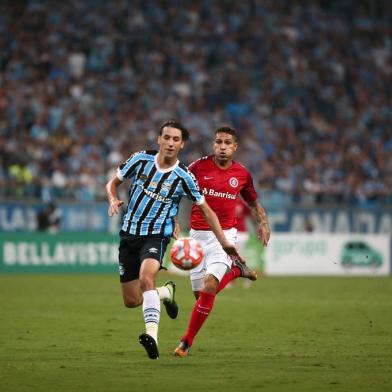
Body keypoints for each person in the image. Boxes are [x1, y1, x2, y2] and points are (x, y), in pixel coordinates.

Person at [105, 120, 241, 360]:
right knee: (131, 300)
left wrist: (225, 243)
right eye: (166, 138)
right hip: (129, 235)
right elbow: (113, 183)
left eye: (175, 139)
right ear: (159, 139)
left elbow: (206, 210)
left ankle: (152, 337)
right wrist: (112, 198)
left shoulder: (184, 176)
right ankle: (166, 293)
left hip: (157, 235)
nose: (169, 143)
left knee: (147, 279)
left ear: (182, 144)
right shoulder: (140, 159)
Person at [174, 126, 270, 357]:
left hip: (225, 236)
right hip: (197, 238)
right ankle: (237, 271)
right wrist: (173, 219)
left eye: (228, 143)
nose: (223, 147)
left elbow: (253, 203)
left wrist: (263, 222)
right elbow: (175, 193)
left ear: (235, 147)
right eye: (219, 142)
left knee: (210, 285)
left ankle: (186, 342)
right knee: (201, 298)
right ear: (213, 145)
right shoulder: (197, 167)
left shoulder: (242, 174)